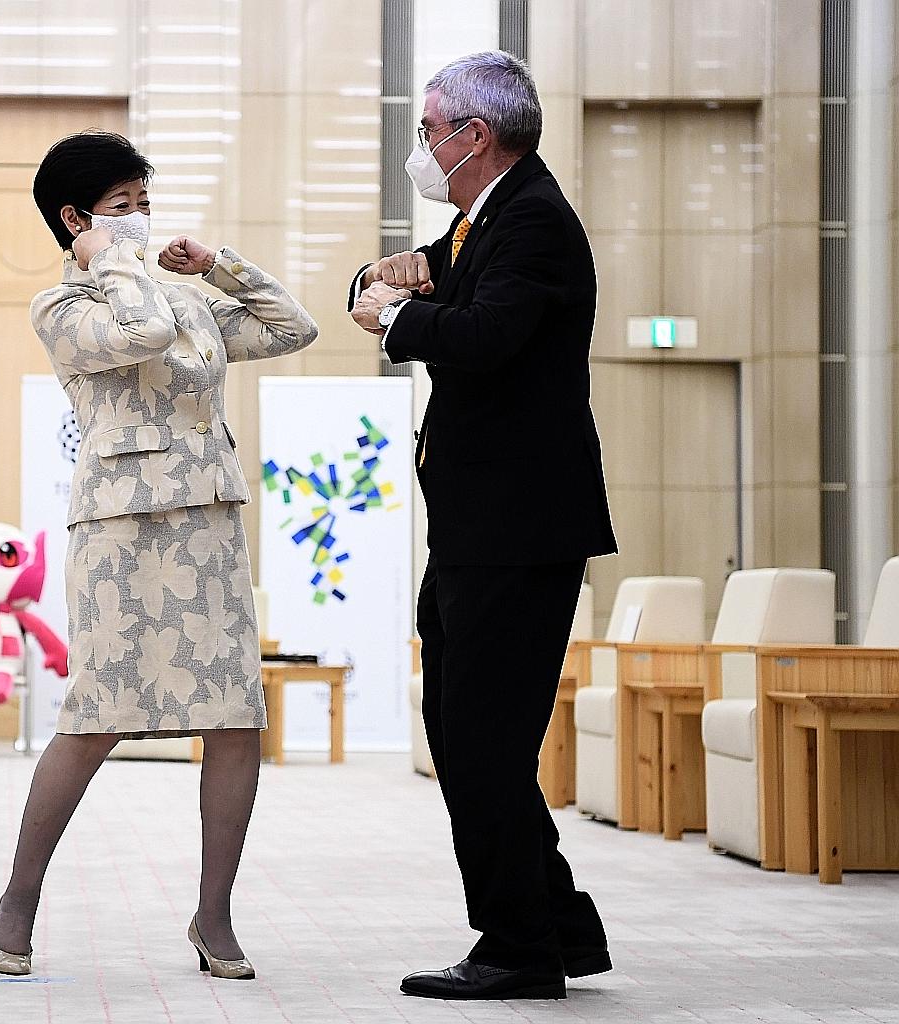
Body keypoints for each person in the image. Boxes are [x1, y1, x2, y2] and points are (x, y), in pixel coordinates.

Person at [0, 130, 318, 981]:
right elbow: (135, 331)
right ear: (74, 218)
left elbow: (293, 327)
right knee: (97, 717)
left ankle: (214, 917)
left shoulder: (185, 298)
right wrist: (109, 259)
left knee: (236, 717)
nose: (139, 220)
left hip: (208, 521)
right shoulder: (62, 310)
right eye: (121, 206)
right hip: (121, 531)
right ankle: (17, 898)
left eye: (144, 202)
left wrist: (217, 266)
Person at [347, 51, 618, 1001]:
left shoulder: (533, 219)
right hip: (478, 525)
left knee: (481, 740)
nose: (423, 148)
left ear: (477, 134)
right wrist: (392, 282)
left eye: (430, 131)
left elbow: (486, 338)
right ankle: (553, 928)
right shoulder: (484, 218)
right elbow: (445, 283)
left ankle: (518, 945)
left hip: (520, 528)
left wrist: (394, 319)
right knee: (466, 732)